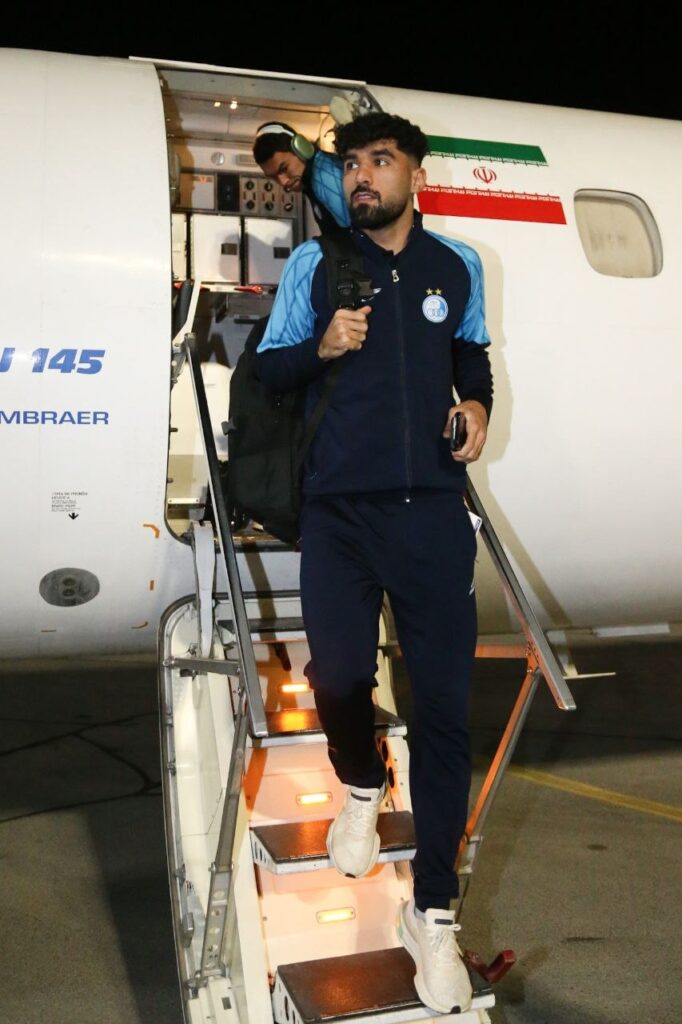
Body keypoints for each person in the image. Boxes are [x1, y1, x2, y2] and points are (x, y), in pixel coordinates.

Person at [255, 111, 493, 1015]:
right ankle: (360, 778)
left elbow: (471, 356)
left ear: (414, 173)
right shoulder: (315, 267)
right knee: (342, 676)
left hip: (431, 514)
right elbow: (268, 370)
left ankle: (433, 914)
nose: (361, 176)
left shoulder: (456, 266)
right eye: (351, 163)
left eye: (379, 161)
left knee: (444, 718)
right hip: (340, 514)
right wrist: (320, 348)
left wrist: (477, 407)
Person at [253, 121, 350, 233]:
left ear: (301, 149)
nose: (283, 182)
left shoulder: (324, 176)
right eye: (274, 177)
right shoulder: (316, 176)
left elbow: (359, 235)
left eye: (284, 169)